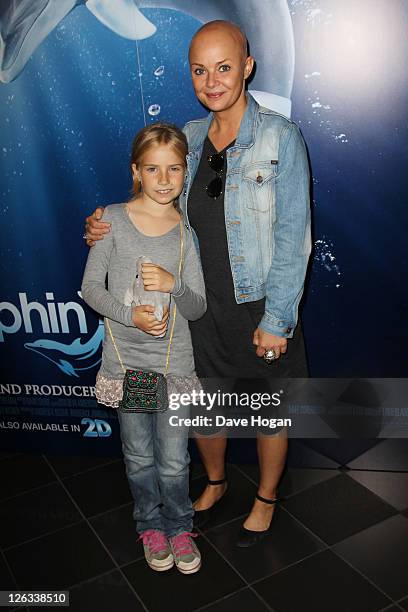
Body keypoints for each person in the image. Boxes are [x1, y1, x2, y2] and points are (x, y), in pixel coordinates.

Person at [85, 20, 311, 547]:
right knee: (203, 406)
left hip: (258, 307)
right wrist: (101, 224)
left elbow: (293, 235)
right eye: (200, 70)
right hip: (195, 306)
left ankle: (266, 498)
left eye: (224, 67)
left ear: (248, 67)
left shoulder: (280, 137)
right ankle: (215, 481)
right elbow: (147, 206)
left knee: (266, 408)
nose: (212, 81)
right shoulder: (185, 137)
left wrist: (277, 319)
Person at [81, 123, 206, 573]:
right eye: (153, 169)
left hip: (171, 369)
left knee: (173, 462)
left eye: (174, 168)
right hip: (130, 369)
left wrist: (174, 286)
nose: (165, 179)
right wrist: (128, 314)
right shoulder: (110, 220)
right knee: (138, 457)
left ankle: (180, 527)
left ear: (185, 169)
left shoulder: (184, 234)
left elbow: (197, 307)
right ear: (137, 171)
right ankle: (149, 525)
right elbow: (91, 289)